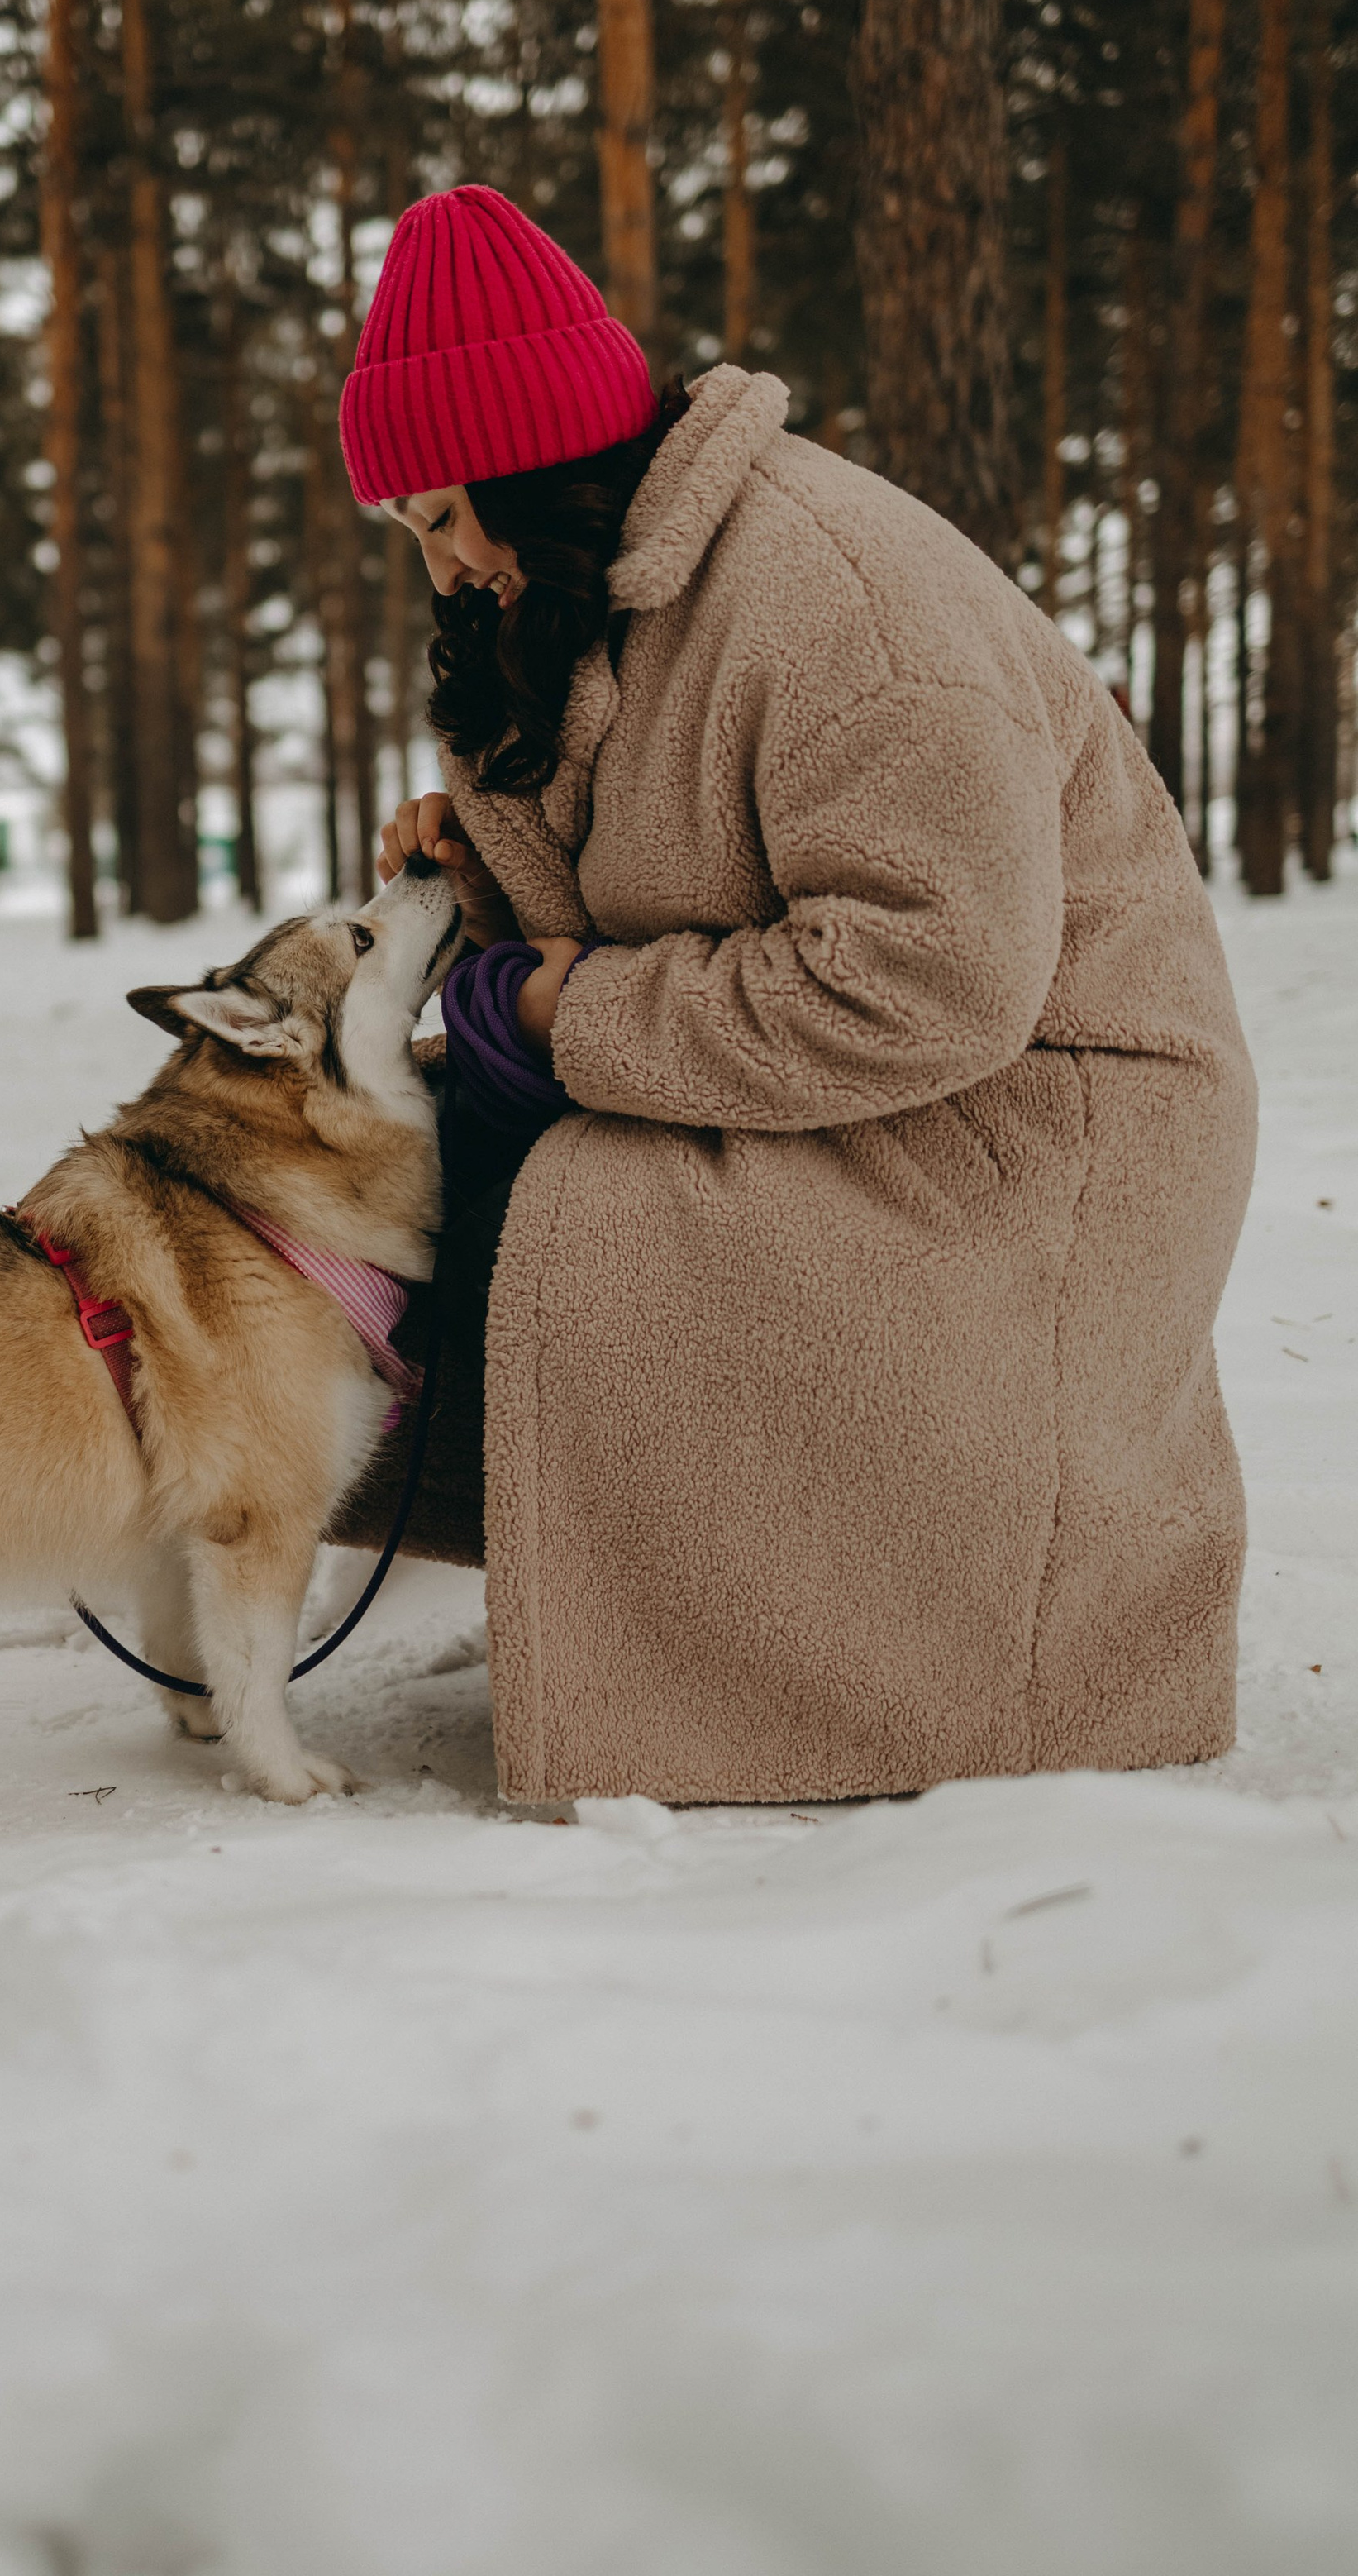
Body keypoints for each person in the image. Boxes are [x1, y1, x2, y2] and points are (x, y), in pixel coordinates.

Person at [327, 182, 1256, 1810]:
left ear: (541, 464)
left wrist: (569, 1018)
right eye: (412, 532)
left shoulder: (838, 597)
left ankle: (881, 1677)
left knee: (595, 1216)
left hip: (1039, 1122)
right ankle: (636, 1609)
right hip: (894, 1077)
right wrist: (475, 882)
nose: (446, 567)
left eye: (442, 516)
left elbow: (933, 972)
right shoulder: (588, 584)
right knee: (377, 1169)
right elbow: (639, 869)